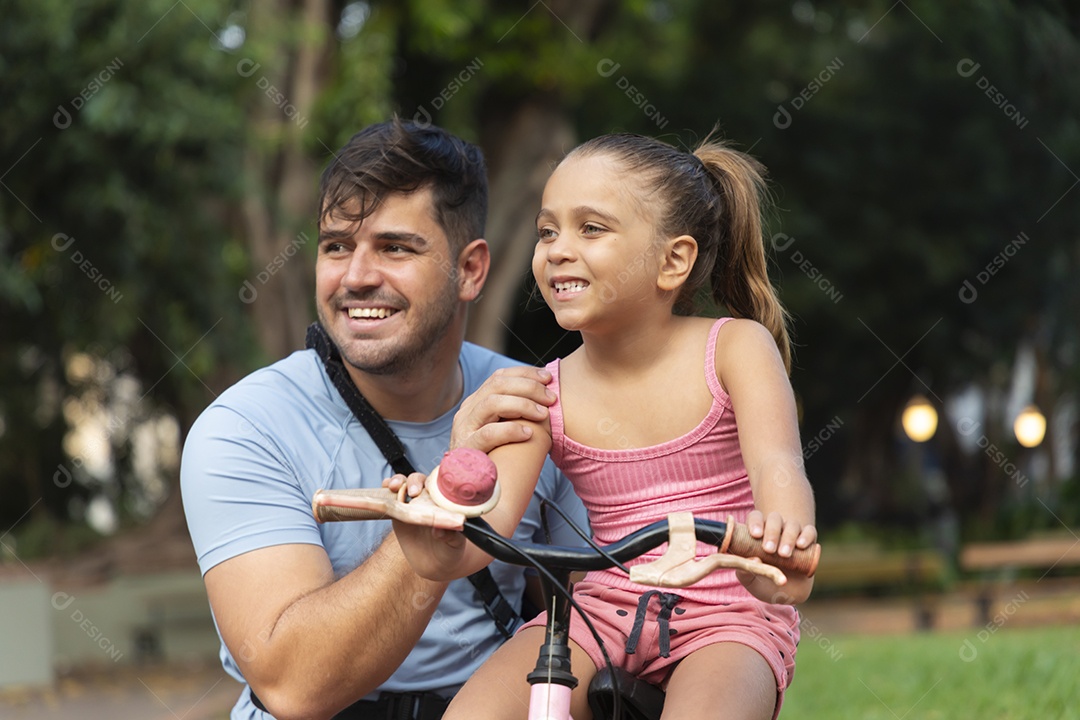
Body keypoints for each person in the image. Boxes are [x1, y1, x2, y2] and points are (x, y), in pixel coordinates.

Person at [391, 132, 818, 720]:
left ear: (673, 261)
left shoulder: (735, 349)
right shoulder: (542, 392)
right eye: (547, 231)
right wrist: (433, 531)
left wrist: (783, 539)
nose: (558, 250)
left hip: (730, 611)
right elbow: (485, 532)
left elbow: (778, 466)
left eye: (591, 229)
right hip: (601, 610)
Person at [180, 118, 589, 720]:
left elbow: (594, 618)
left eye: (395, 248)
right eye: (336, 246)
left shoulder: (537, 404)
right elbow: (294, 686)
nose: (356, 276)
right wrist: (449, 492)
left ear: (470, 270)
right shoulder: (246, 429)